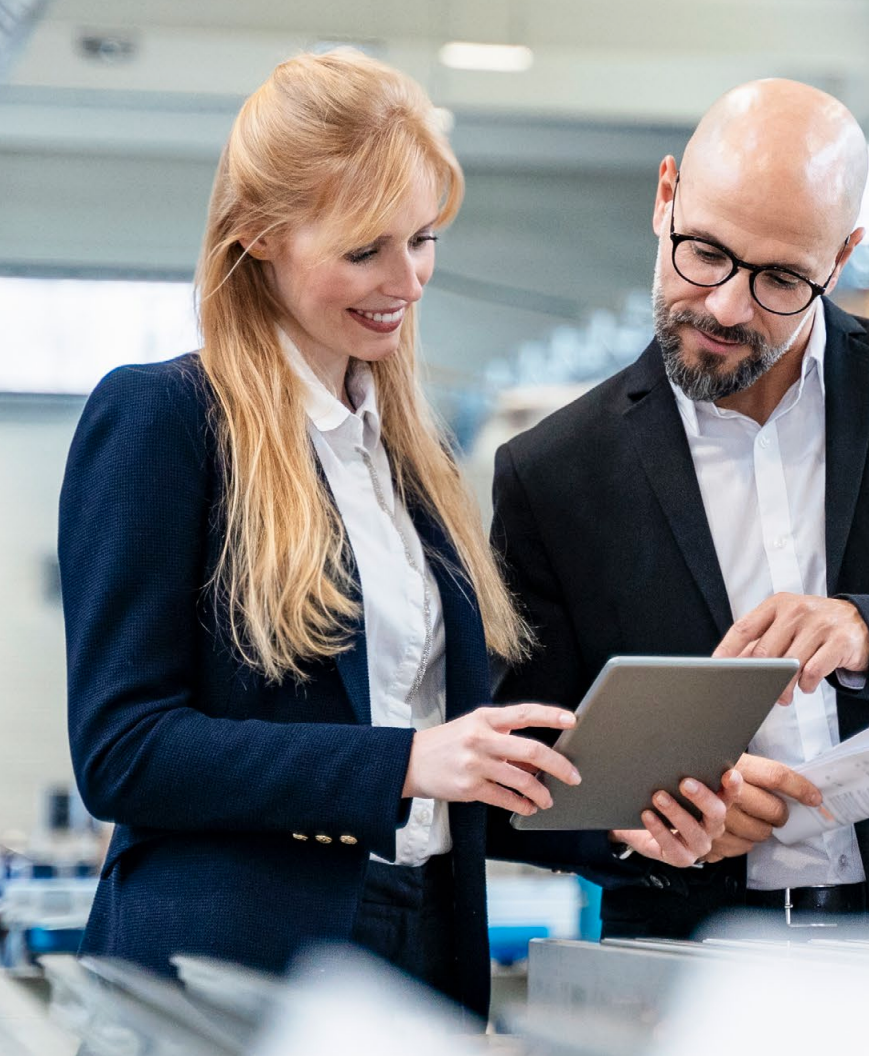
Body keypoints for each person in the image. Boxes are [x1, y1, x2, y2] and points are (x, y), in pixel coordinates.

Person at [58, 49, 728, 1018]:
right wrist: (406, 761)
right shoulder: (165, 420)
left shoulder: (406, 463)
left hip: (421, 946)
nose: (405, 281)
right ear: (256, 237)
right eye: (363, 249)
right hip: (234, 965)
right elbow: (123, 750)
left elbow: (451, 781)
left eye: (422, 240)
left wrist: (618, 818)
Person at [491, 78, 869, 939]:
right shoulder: (553, 473)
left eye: (782, 278)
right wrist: (643, 827)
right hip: (701, 956)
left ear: (843, 257)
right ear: (665, 195)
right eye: (703, 252)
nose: (727, 307)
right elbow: (520, 763)